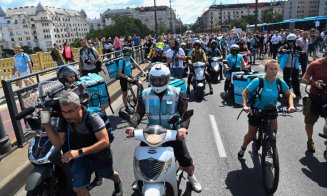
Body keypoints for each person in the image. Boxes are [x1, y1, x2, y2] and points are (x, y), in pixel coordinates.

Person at [125, 63, 202, 192]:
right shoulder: (145, 94)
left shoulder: (177, 93)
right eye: (155, 80)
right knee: (141, 159)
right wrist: (132, 125)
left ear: (167, 78)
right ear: (150, 79)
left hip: (172, 132)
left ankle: (191, 176)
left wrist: (183, 128)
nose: (158, 82)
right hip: (151, 133)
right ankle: (141, 178)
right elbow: (139, 112)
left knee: (186, 161)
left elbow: (185, 114)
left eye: (161, 79)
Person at [40, 91, 123, 196]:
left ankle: (117, 181)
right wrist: (47, 126)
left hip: (99, 155)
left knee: (108, 174)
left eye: (70, 111)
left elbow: (105, 142)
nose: (67, 116)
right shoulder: (64, 120)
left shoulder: (92, 118)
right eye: (64, 112)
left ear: (79, 107)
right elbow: (59, 144)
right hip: (80, 158)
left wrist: (79, 152)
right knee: (78, 189)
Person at [238, 59, 295, 158]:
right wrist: (245, 105)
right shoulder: (258, 81)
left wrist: (291, 106)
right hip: (257, 111)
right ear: (266, 70)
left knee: (274, 132)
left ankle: (268, 148)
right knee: (251, 135)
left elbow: (288, 94)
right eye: (271, 69)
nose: (274, 71)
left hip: (271, 111)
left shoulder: (279, 81)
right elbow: (245, 92)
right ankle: (243, 148)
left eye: (276, 69)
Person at [301, 51, 327, 155]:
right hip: (315, 97)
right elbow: (303, 79)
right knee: (309, 122)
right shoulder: (315, 64)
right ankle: (310, 140)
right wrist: (314, 83)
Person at [118, 47, 145, 114]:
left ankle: (139, 99)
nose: (131, 53)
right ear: (127, 53)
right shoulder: (121, 61)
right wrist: (127, 78)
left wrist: (143, 71)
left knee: (140, 84)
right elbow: (119, 73)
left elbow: (136, 65)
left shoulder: (130, 58)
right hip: (123, 77)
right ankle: (126, 107)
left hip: (129, 75)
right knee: (125, 93)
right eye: (130, 52)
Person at [277, 33, 302, 99]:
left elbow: (302, 51)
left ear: (294, 41)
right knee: (286, 80)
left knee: (295, 80)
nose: (290, 43)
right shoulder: (284, 46)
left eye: (292, 41)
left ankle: (297, 93)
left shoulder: (296, 46)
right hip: (286, 66)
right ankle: (284, 92)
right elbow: (279, 50)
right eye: (289, 41)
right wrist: (283, 50)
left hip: (295, 66)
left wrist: (299, 52)